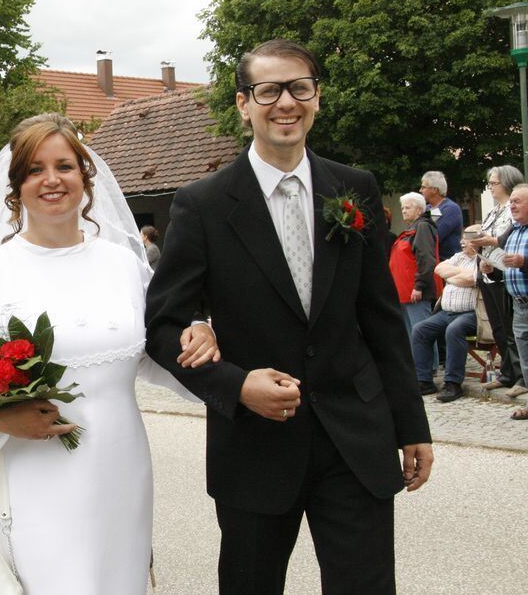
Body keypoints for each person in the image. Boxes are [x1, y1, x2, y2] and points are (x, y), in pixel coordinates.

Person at [145, 39, 433, 593]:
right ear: (243, 104)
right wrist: (235, 384)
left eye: (299, 88)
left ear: (317, 98)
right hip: (255, 446)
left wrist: (410, 425)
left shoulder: (356, 189)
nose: (286, 102)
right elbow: (161, 325)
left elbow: (381, 320)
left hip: (356, 437)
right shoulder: (202, 204)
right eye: (268, 90)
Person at [0, 113, 212, 594]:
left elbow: (153, 354)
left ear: (85, 178)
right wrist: (2, 421)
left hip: (118, 467)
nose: (52, 180)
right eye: (35, 170)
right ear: (16, 185)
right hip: (32, 474)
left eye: (65, 166)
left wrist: (205, 345)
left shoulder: (123, 265)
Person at [410, 229, 481, 402]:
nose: (463, 242)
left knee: (454, 330)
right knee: (420, 329)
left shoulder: (483, 259)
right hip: (447, 312)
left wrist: (452, 277)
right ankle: (424, 380)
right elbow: (439, 268)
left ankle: (453, 383)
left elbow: (474, 278)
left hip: (471, 313)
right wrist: (460, 277)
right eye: (463, 238)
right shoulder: (458, 257)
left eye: (468, 239)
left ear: (480, 240)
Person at [472, 166, 525, 394]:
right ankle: (508, 372)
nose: (490, 187)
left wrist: (487, 241)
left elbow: (501, 241)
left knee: (512, 331)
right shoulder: (495, 211)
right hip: (492, 273)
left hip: (507, 276)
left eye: (494, 183)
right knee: (500, 329)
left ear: (507, 182)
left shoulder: (513, 215)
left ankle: (519, 376)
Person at [482, 184, 528, 416]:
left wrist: (524, 262)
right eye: (511, 202)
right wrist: (492, 270)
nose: (512, 205)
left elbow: (520, 264)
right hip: (518, 304)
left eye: (517, 201)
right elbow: (508, 269)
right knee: (526, 358)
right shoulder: (515, 232)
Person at [389, 192, 441, 342]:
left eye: (408, 208)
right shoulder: (414, 228)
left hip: (416, 292)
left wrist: (419, 286)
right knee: (413, 334)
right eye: (402, 208)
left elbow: (426, 258)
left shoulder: (422, 227)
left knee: (421, 333)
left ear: (419, 210)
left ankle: (426, 366)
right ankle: (417, 365)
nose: (404, 211)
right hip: (406, 292)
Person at [420, 170, 463, 258]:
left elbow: (434, 236)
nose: (420, 190)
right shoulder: (426, 209)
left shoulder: (451, 209)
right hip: (432, 261)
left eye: (423, 187)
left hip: (448, 263)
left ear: (434, 189)